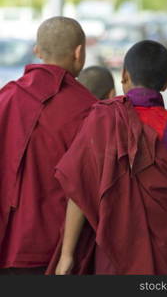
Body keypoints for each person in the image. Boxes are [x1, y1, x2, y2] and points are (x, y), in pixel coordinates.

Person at [46, 40, 167, 275]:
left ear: (124, 75)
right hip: (165, 252)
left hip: (114, 250)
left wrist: (67, 255)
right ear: (165, 84)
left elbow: (79, 190)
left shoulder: (101, 120)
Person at [0, 16, 97, 274]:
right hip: (56, 251)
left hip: (5, 241)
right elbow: (87, 184)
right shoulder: (88, 107)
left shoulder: (6, 97)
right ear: (79, 52)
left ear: (37, 51)